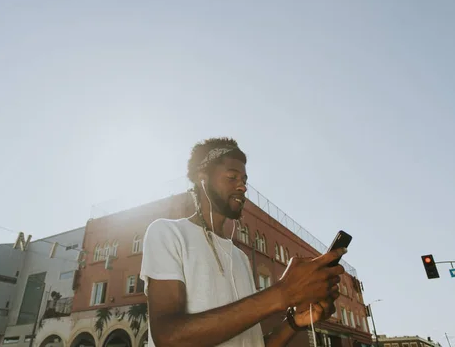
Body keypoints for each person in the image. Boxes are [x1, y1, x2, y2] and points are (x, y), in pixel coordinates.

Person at [140, 137, 346, 347]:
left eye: (244, 180)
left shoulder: (240, 258)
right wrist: (282, 293)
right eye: (232, 177)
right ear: (202, 179)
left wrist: (294, 323)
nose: (242, 187)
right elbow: (168, 337)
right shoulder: (167, 233)